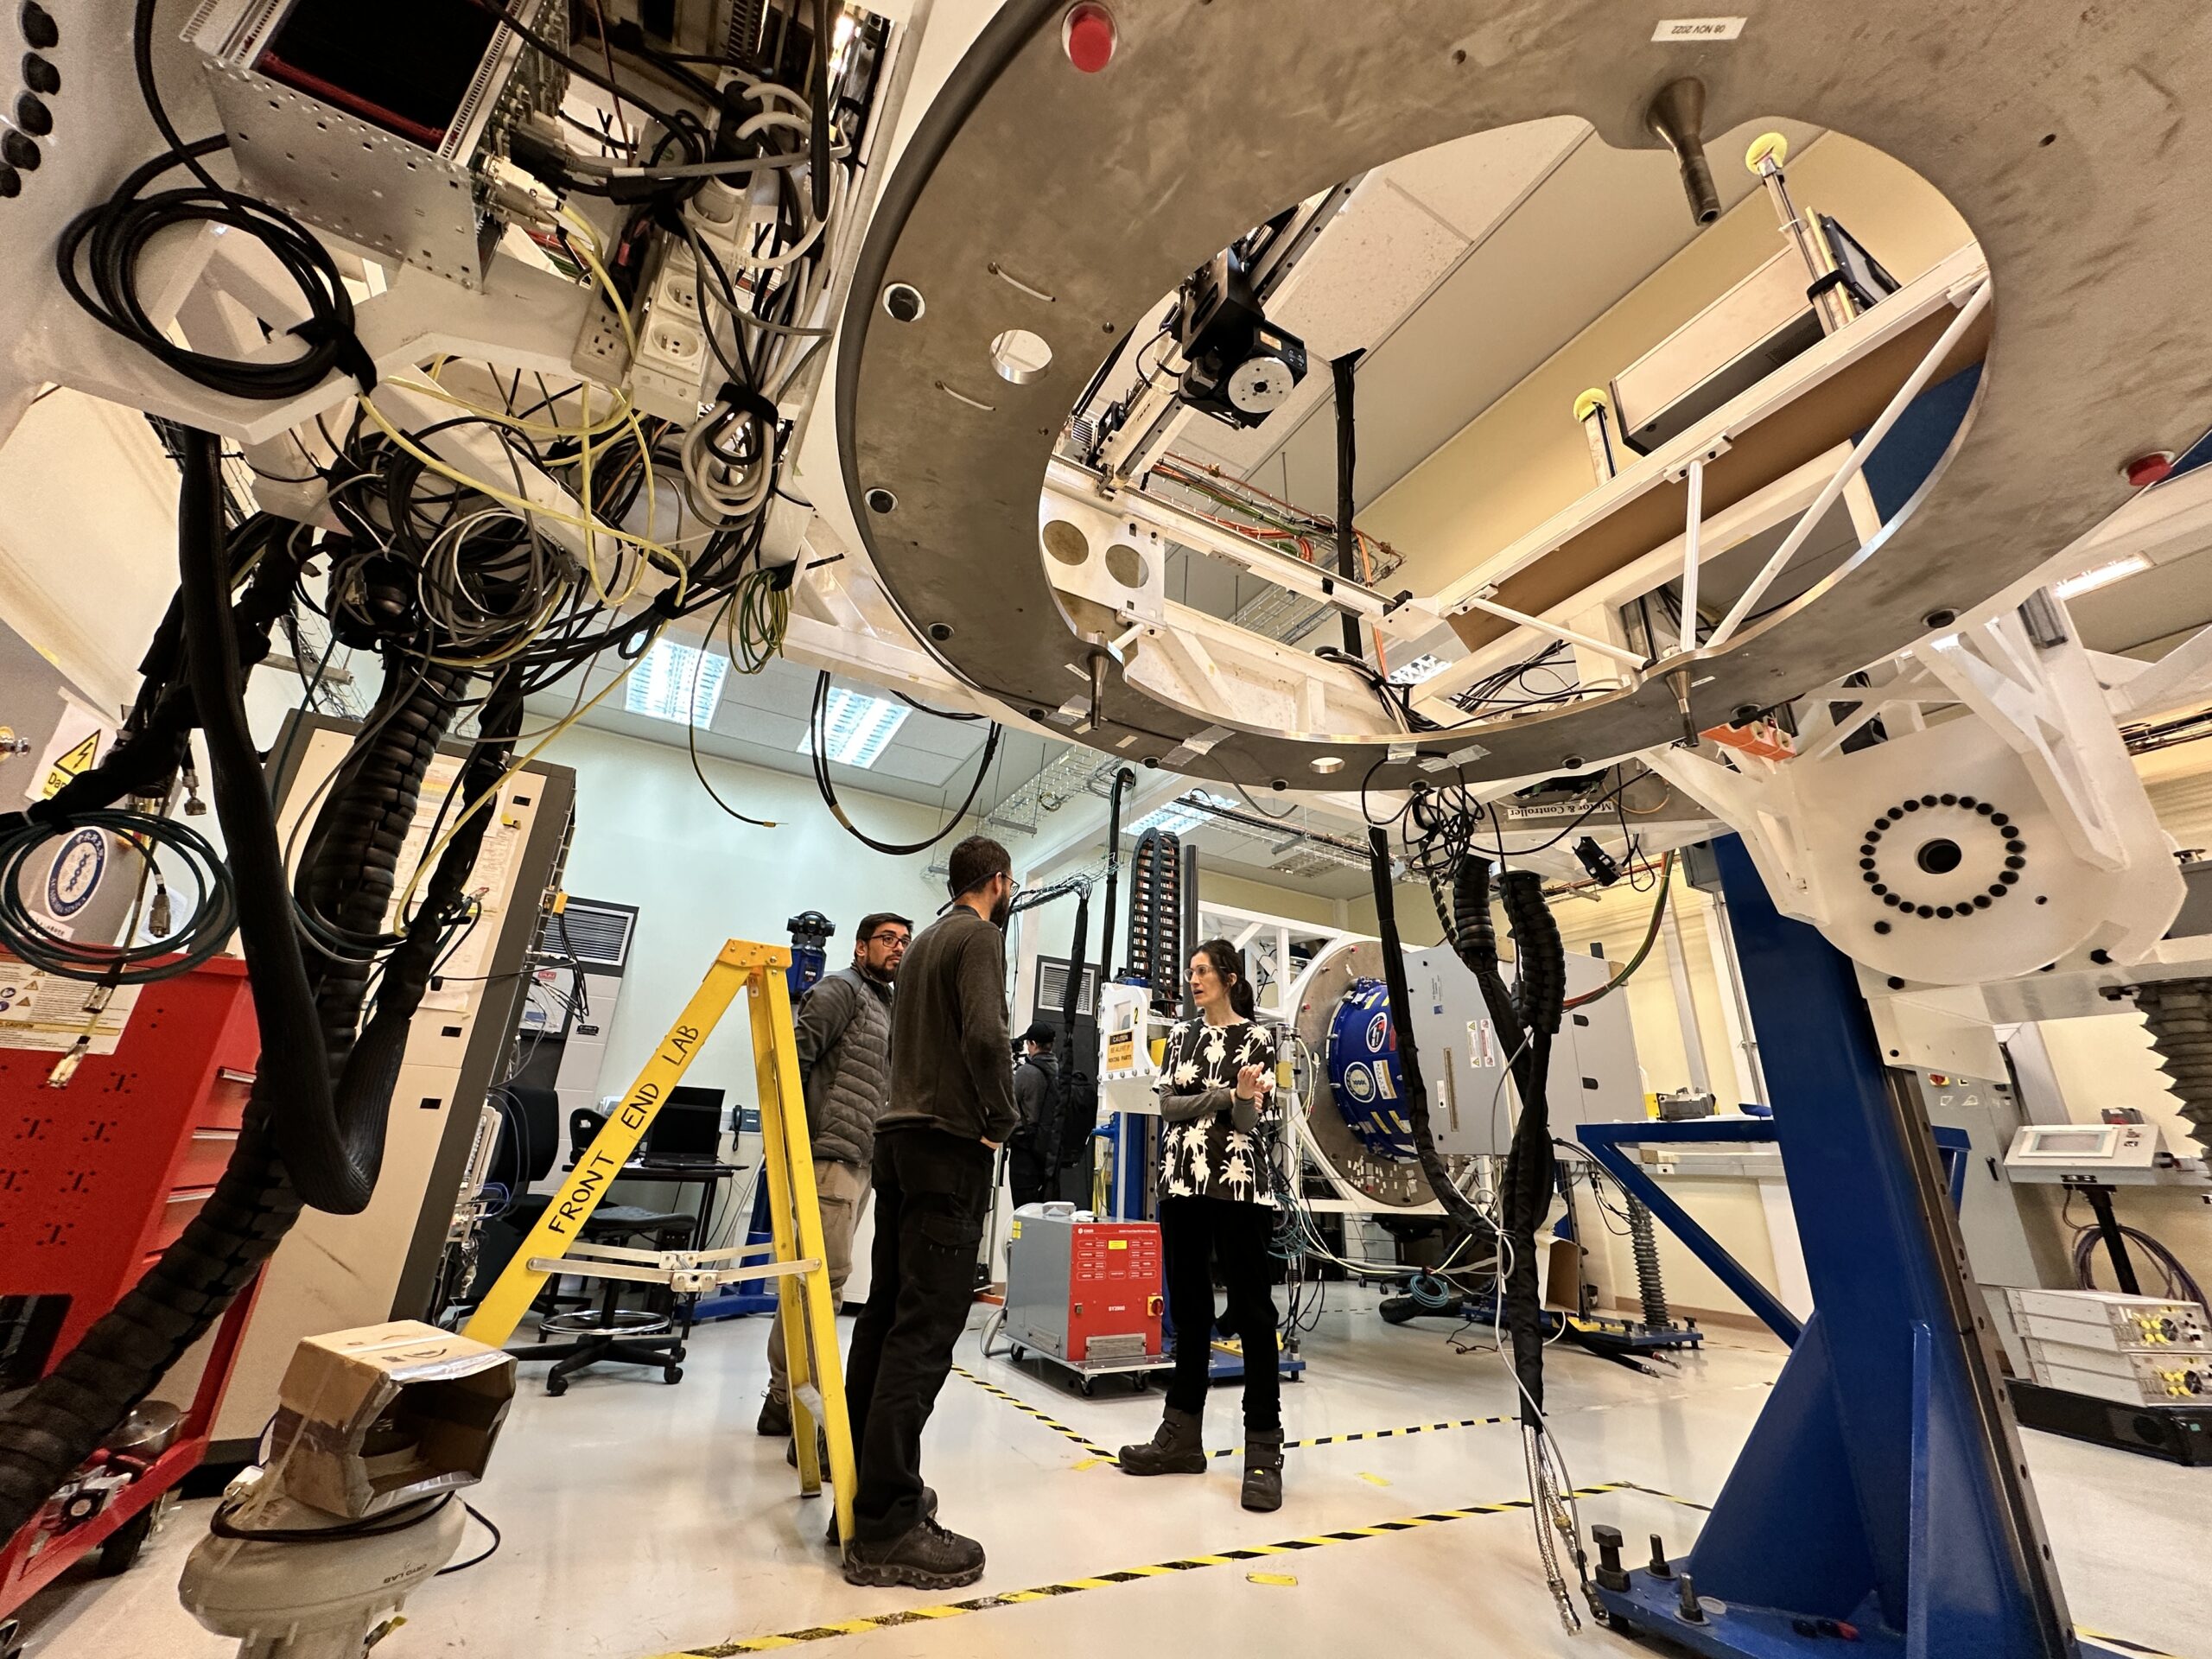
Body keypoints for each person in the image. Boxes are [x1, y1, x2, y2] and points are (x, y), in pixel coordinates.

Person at [839, 836, 1019, 1589]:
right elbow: (987, 1036)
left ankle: (861, 1494)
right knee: (925, 1329)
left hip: (898, 1140)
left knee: (885, 1317)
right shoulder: (978, 937)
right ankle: (888, 1523)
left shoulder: (916, 951)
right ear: (999, 882)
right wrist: (1003, 1117)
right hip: (948, 1145)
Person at [1116, 938, 1284, 1511]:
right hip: (1181, 1182)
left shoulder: (1259, 1039)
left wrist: (1234, 1100)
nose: (1193, 979)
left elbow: (1248, 1121)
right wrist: (1228, 1093)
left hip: (1238, 1186)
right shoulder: (1181, 1037)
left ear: (1229, 978)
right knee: (1189, 1312)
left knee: (1254, 1313)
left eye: (1203, 970)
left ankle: (1263, 1447)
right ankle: (1182, 1436)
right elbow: (1167, 1107)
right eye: (1190, 971)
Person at [758, 912, 910, 1452]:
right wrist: (798, 1144)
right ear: (861, 946)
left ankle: (783, 1401)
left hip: (860, 1158)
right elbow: (791, 1062)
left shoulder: (884, 1002)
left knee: (812, 1283)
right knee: (823, 1286)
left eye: (904, 941)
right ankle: (807, 1417)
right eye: (887, 939)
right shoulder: (839, 990)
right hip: (828, 1158)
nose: (897, 948)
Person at [1007, 1020, 1059, 1209]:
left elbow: (1008, 1105)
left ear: (1033, 1044)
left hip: (1025, 1154)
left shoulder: (1026, 1072)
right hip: (1049, 1155)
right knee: (1043, 1213)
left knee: (1023, 1212)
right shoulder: (1058, 1071)